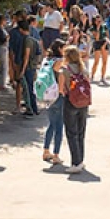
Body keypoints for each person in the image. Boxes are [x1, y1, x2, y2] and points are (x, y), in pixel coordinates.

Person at [56, 45, 91, 174]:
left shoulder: (64, 70)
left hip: (70, 102)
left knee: (71, 133)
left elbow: (61, 89)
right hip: (84, 102)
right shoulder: (83, 69)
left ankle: (75, 162)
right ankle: (80, 160)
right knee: (81, 132)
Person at [41, 41, 65, 164]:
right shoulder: (59, 61)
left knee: (51, 124)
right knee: (59, 126)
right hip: (58, 96)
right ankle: (56, 154)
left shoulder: (46, 60)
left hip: (47, 96)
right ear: (60, 49)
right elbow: (60, 78)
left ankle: (46, 151)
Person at [17, 21, 41, 117]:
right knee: (31, 88)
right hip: (33, 66)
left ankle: (30, 108)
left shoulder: (27, 40)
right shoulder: (34, 40)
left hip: (28, 67)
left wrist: (22, 70)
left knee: (27, 89)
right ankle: (34, 108)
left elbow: (26, 56)